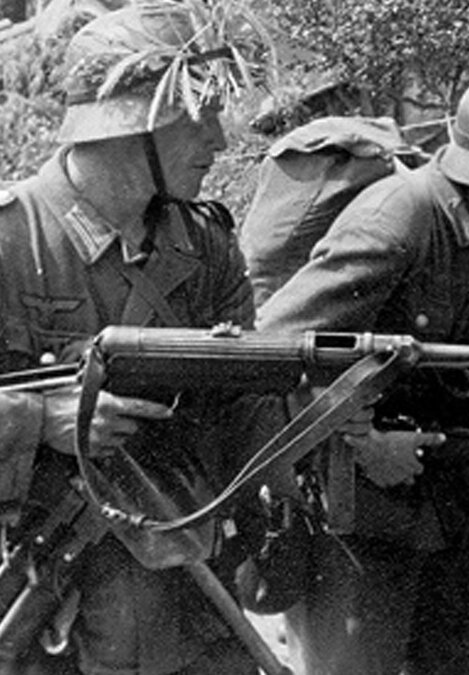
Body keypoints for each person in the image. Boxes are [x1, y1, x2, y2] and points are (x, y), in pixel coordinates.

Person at [255, 68, 469, 675]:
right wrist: (363, 442)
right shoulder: (397, 222)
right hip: (353, 514)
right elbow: (279, 349)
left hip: (443, 498)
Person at [0, 2, 271, 673]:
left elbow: (249, 405)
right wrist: (41, 419)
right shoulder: (10, 239)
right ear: (133, 125)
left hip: (193, 596)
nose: (220, 141)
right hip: (50, 612)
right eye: (200, 116)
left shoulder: (204, 244)